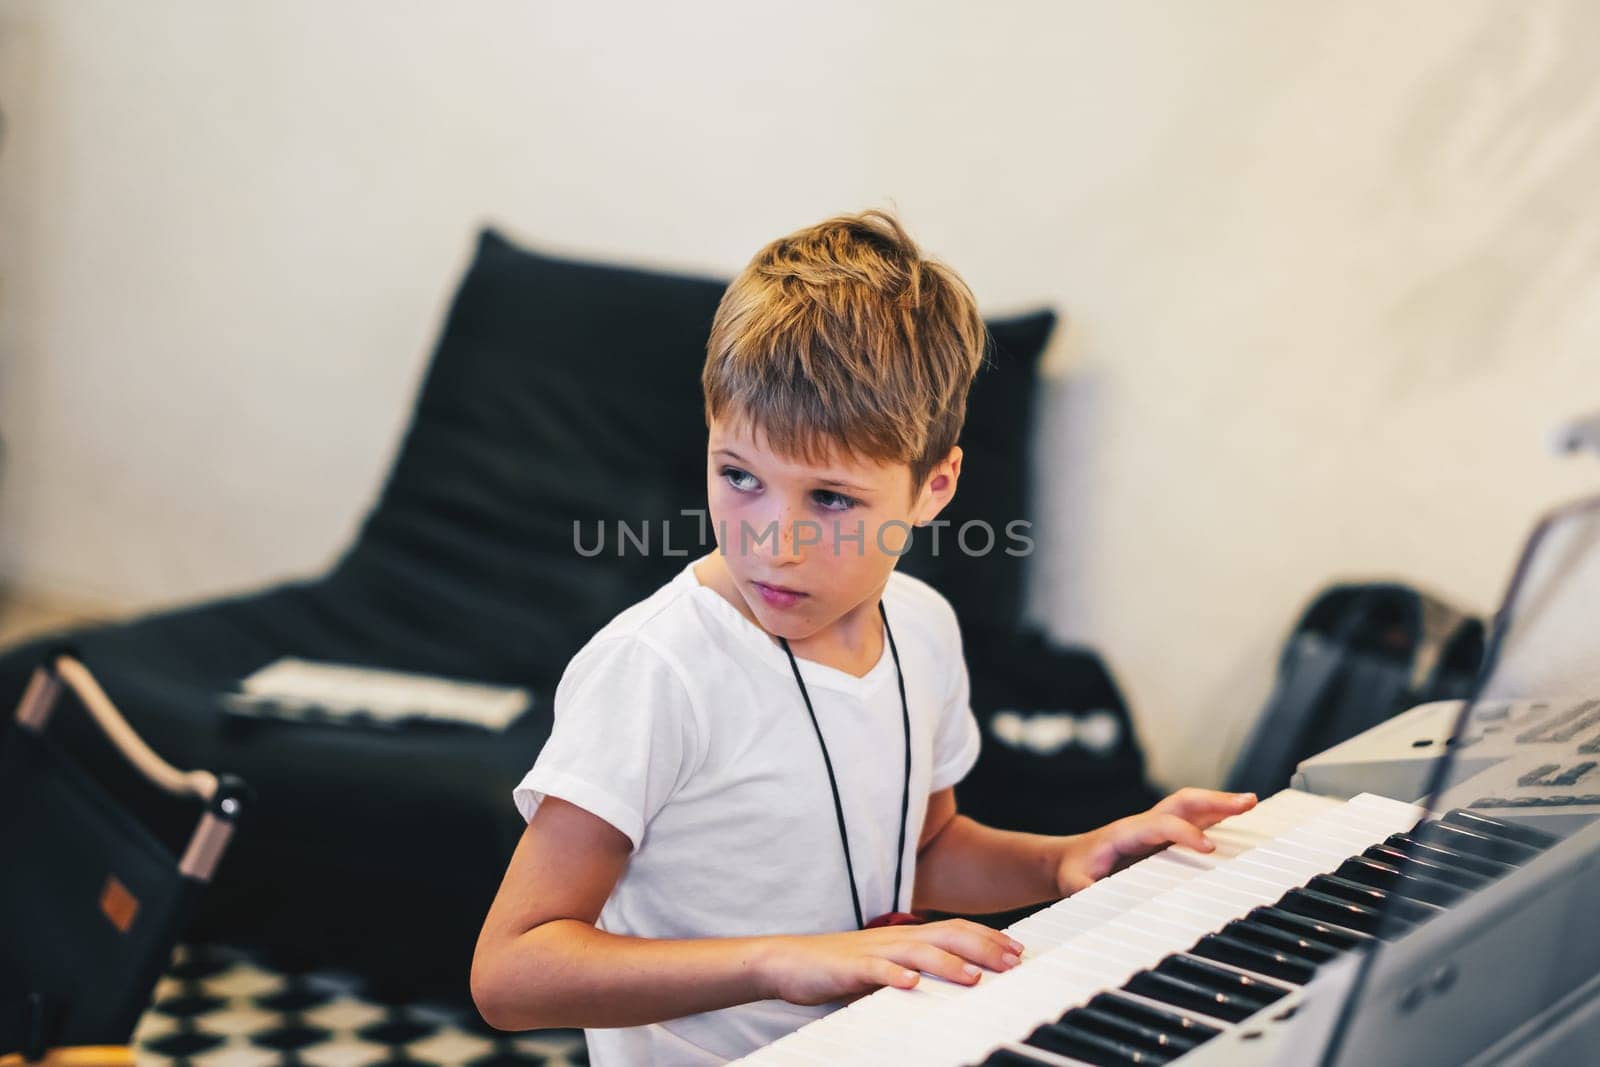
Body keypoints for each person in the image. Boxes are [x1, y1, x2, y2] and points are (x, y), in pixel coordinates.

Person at [470, 209, 1255, 1065]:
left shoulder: (922, 628)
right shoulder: (656, 668)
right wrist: (782, 959)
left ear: (934, 485)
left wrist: (1061, 860)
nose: (774, 541)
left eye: (832, 499)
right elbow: (512, 970)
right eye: (740, 477)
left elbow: (923, 848)